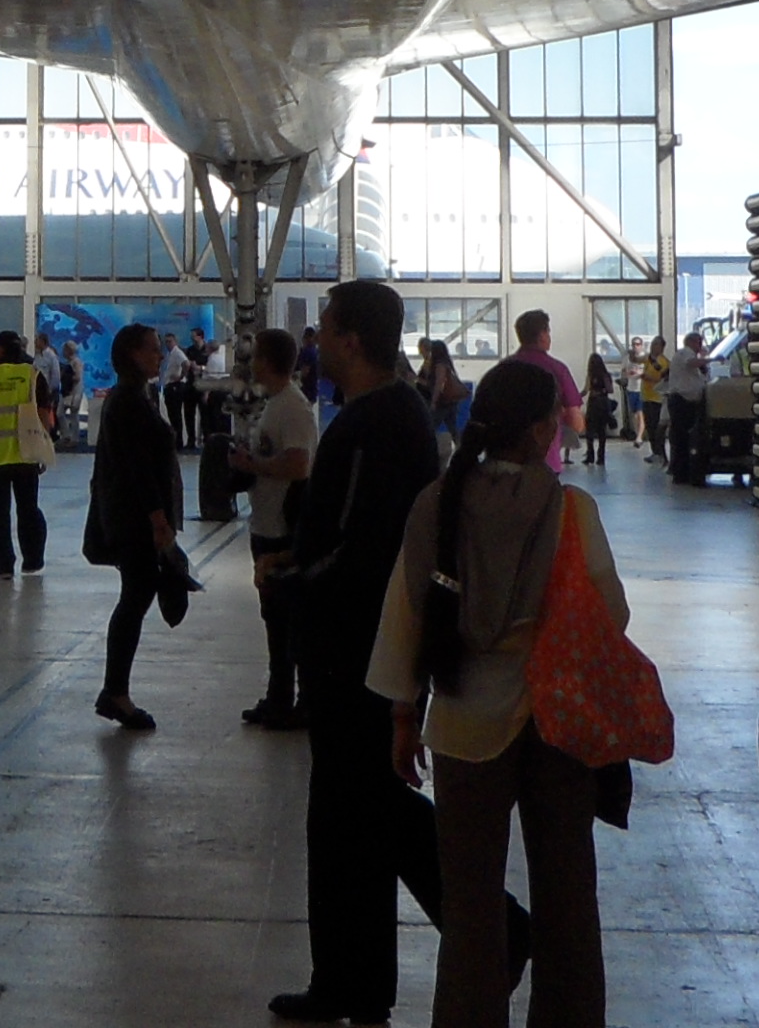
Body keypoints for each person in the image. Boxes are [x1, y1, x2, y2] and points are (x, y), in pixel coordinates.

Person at [272, 281, 521, 1026]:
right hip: (369, 649)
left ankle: (483, 934)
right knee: (363, 814)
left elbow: (362, 549)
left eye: (326, 327)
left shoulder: (372, 423)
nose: (318, 340)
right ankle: (359, 980)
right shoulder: (393, 414)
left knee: (354, 812)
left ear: (351, 339)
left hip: (355, 650)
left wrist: (293, 582)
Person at [373, 359, 624, 1028]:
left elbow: (406, 616)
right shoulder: (570, 511)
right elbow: (611, 615)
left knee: (470, 903)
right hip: (555, 721)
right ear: (542, 429)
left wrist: (403, 715)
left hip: (462, 719)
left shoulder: (438, 502)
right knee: (567, 895)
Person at [88, 322, 185, 732]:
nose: (159, 355)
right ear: (132, 354)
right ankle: (115, 691)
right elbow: (137, 467)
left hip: (133, 517)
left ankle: (116, 689)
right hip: (133, 520)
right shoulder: (127, 401)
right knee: (135, 597)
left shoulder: (139, 396)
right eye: (152, 349)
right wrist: (157, 519)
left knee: (137, 595)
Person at [239, 326, 320, 729]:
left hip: (281, 529)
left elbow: (298, 465)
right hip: (267, 522)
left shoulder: (292, 407)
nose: (251, 363)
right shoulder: (275, 404)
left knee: (288, 619)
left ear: (267, 362)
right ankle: (280, 696)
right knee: (275, 619)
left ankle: (298, 700)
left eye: (256, 356)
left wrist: (252, 465)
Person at [0, 329, 52, 578]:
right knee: (29, 509)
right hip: (26, 455)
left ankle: (3, 566)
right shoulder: (32, 374)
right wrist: (43, 446)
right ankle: (32, 560)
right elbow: (43, 412)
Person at [512, 312, 579, 475]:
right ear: (542, 335)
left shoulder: (501, 369)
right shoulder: (557, 370)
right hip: (546, 462)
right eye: (548, 332)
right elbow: (576, 422)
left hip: (507, 461)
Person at [669, 334, 714, 483]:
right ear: (691, 342)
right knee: (681, 438)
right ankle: (680, 473)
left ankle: (686, 471)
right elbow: (691, 363)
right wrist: (711, 359)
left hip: (690, 401)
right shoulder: (685, 353)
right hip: (682, 401)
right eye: (698, 343)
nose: (700, 346)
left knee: (688, 439)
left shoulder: (693, 356)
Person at [580, 354, 617, 467]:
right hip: (603, 404)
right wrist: (602, 391)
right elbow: (610, 390)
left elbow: (585, 390)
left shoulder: (590, 375)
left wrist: (576, 397)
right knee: (602, 432)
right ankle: (601, 457)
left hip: (593, 404)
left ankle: (590, 456)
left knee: (590, 431)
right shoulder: (606, 375)